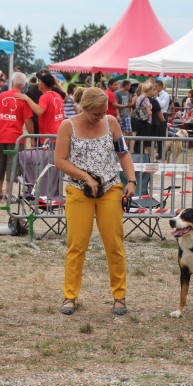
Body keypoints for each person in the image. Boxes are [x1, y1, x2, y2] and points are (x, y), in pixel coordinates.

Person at [53, 87, 136, 316]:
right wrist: (86, 177)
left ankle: (119, 297)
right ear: (85, 108)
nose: (101, 116)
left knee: (114, 244)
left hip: (109, 188)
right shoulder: (67, 126)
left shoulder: (111, 123)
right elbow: (59, 160)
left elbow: (123, 153)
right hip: (79, 191)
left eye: (104, 112)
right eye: (96, 113)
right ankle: (70, 296)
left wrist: (131, 180)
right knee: (77, 245)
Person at [0, 72, 34, 202]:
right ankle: (7, 194)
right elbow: (28, 121)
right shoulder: (22, 99)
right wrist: (32, 137)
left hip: (1, 136)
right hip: (15, 138)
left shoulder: (2, 95)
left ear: (12, 82)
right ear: (24, 85)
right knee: (12, 165)